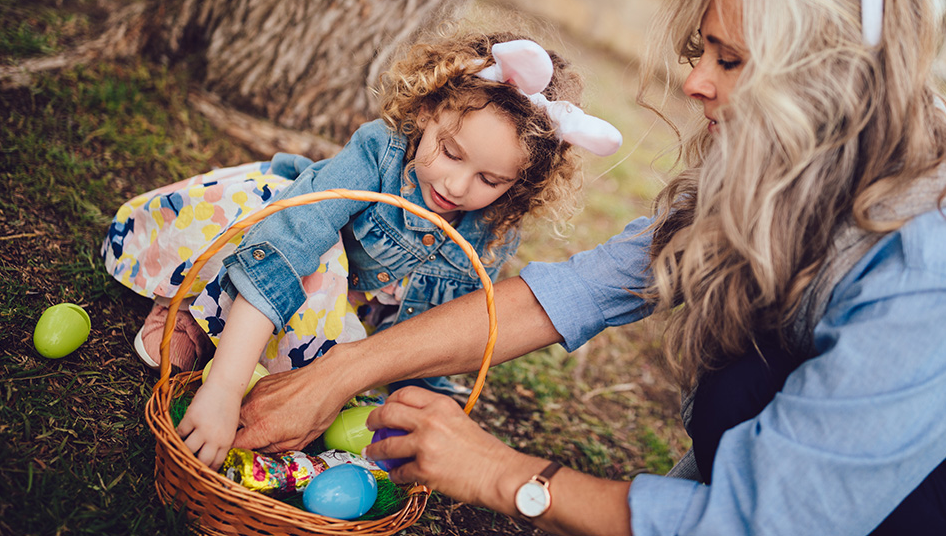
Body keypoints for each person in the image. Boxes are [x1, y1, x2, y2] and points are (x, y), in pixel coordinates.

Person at [231, 0, 946, 536]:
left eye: (729, 59)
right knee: (740, 381)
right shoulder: (781, 180)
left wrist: (503, 472)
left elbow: (766, 523)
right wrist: (338, 373)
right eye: (701, 53)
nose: (694, 83)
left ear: (826, 80)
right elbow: (567, 295)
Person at [101, 30, 623, 470]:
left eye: (489, 178)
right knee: (293, 248)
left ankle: (234, 340)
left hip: (340, 308)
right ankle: (192, 307)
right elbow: (288, 242)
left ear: (519, 183)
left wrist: (415, 419)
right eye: (449, 151)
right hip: (278, 243)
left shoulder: (492, 228)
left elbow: (444, 328)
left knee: (326, 353)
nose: (457, 186)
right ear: (427, 112)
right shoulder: (378, 151)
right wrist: (222, 389)